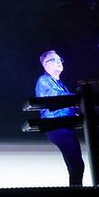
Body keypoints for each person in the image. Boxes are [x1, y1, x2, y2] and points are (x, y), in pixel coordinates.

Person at [35, 50, 84, 186]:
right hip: (57, 125)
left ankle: (75, 191)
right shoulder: (44, 80)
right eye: (53, 59)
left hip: (65, 125)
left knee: (76, 166)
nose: (58, 62)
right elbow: (57, 96)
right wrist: (81, 98)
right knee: (76, 165)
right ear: (45, 65)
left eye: (59, 59)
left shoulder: (59, 83)